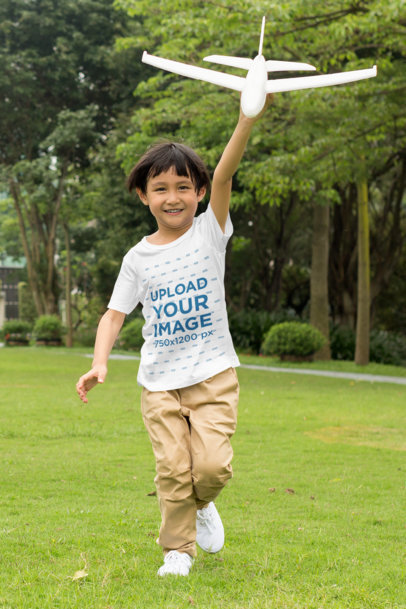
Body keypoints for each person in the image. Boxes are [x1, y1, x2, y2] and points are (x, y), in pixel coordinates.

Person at [76, 97, 271, 576]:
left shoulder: (211, 232)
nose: (172, 197)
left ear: (200, 192)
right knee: (171, 469)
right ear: (144, 196)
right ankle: (177, 552)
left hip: (213, 376)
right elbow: (113, 316)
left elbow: (226, 174)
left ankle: (203, 504)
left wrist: (247, 118)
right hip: (159, 383)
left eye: (183, 186)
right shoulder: (137, 258)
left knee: (209, 470)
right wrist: (100, 362)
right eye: (160, 188)